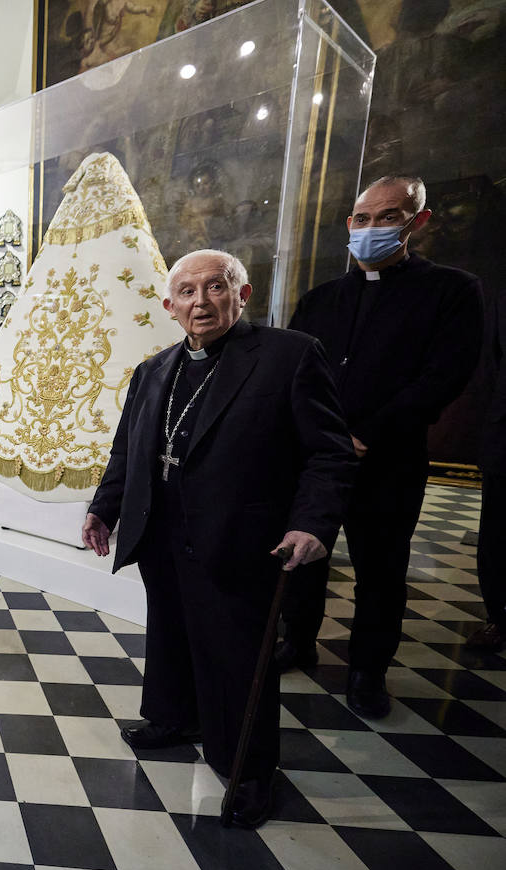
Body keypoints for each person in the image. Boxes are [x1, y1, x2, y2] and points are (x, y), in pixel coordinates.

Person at [82, 250, 356, 828]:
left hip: (241, 534)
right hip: (161, 531)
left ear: (243, 294)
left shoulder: (289, 356)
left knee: (236, 654)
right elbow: (126, 452)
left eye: (214, 287)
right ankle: (173, 717)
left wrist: (311, 522)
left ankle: (249, 771)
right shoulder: (154, 368)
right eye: (186, 291)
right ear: (169, 306)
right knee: (172, 634)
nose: (200, 301)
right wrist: (103, 509)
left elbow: (328, 453)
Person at [277, 175, 485, 718]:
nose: (371, 228)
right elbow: (295, 374)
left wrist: (366, 434)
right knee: (302, 558)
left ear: (418, 221)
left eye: (388, 217)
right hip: (317, 461)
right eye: (362, 218)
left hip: (389, 457)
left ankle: (368, 668)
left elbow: (443, 376)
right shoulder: (322, 298)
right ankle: (296, 641)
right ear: (349, 224)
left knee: (381, 567)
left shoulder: (452, 291)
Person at [473, 286, 506, 652]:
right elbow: (490, 368)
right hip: (504, 437)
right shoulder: (502, 300)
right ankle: (498, 616)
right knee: (497, 536)